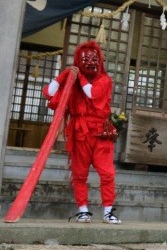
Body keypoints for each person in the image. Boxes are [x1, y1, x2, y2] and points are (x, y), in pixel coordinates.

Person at [42, 40, 121, 224]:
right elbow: (50, 93)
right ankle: (83, 210)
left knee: (107, 173)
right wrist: (64, 75)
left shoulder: (104, 80)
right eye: (85, 60)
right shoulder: (73, 83)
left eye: (94, 59)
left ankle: (108, 211)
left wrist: (79, 78)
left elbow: (92, 93)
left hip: (101, 134)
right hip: (79, 134)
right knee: (79, 173)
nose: (90, 63)